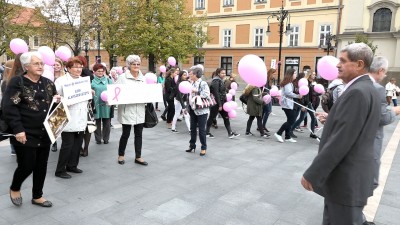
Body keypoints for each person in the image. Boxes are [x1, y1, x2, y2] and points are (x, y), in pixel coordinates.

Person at [301, 43, 381, 225]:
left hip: (346, 181)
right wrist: (333, 119)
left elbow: (341, 141)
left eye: (343, 61)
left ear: (359, 64)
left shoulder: (357, 92)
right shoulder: (366, 88)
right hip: (351, 180)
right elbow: (356, 128)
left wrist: (313, 174)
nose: (337, 65)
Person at [4, 51, 60, 207]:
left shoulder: (48, 83)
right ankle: (15, 187)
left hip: (46, 132)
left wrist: (57, 101)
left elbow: (52, 105)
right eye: (36, 63)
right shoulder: (18, 82)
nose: (40, 66)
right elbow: (9, 107)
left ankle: (37, 196)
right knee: (27, 165)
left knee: (41, 165)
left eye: (41, 63)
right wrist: (18, 130)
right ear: (26, 66)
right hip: (25, 132)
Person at [362, 56, 400, 225]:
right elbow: (382, 118)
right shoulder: (376, 88)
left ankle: (356, 214)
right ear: (381, 70)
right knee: (370, 181)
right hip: (368, 142)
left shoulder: (358, 84)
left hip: (360, 140)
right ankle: (356, 215)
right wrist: (397, 110)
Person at [54, 57, 89, 179]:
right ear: (68, 68)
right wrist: (64, 99)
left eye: (80, 67)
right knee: (67, 145)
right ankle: (60, 170)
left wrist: (91, 93)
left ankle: (72, 165)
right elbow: (55, 97)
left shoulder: (83, 81)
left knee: (78, 144)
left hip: (81, 116)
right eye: (75, 67)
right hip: (68, 116)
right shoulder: (61, 81)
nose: (79, 69)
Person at [116, 55, 147, 166]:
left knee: (139, 134)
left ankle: (138, 156)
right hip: (127, 110)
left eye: (138, 64)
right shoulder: (122, 77)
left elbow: (147, 92)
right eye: (134, 64)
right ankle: (121, 155)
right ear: (129, 65)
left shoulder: (143, 78)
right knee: (126, 134)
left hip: (139, 109)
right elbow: (116, 92)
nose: (136, 66)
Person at [206, 68, 239, 139]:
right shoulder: (216, 81)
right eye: (222, 73)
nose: (224, 74)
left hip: (222, 102)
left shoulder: (220, 80)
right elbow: (216, 93)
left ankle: (230, 133)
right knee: (212, 117)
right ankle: (206, 132)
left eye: (224, 73)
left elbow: (223, 91)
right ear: (218, 73)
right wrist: (220, 105)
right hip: (217, 103)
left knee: (226, 117)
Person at [185, 65, 210, 156]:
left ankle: (203, 147)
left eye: (191, 74)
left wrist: (197, 91)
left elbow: (206, 94)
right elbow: (189, 97)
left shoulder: (202, 83)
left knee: (202, 130)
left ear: (195, 74)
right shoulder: (191, 83)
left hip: (201, 110)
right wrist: (187, 107)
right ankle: (192, 145)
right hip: (193, 109)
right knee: (192, 129)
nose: (189, 75)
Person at [273, 69, 301, 143]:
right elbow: (288, 93)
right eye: (294, 73)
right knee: (291, 120)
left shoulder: (289, 83)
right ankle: (278, 133)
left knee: (290, 120)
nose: (296, 75)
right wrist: (297, 96)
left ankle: (287, 136)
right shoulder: (288, 83)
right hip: (287, 105)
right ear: (291, 74)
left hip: (288, 104)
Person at [91, 63, 112, 145]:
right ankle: (98, 139)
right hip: (96, 104)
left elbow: (113, 91)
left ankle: (106, 138)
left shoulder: (108, 80)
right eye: (98, 71)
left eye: (102, 71)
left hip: (107, 104)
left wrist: (112, 101)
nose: (100, 73)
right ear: (94, 72)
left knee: (107, 122)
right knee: (97, 122)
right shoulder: (91, 81)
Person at [51, 58, 66, 152]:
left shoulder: (65, 76)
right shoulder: (48, 76)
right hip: (52, 102)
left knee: (63, 122)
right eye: (54, 65)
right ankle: (54, 143)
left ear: (61, 66)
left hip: (63, 101)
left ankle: (65, 142)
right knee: (53, 123)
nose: (56, 67)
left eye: (58, 65)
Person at [261, 68, 277, 133]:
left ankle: (261, 126)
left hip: (269, 97)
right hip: (265, 97)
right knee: (266, 111)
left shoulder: (271, 80)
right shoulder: (266, 80)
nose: (275, 75)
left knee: (266, 112)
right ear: (270, 73)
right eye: (274, 74)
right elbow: (263, 89)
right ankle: (262, 126)